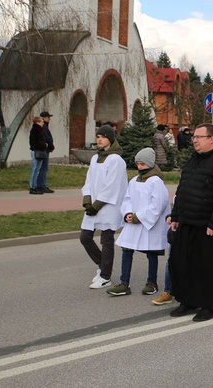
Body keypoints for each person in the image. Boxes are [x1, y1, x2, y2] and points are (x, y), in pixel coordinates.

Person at [168, 123, 213, 322]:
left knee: (207, 268)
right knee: (182, 264)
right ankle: (187, 300)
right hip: (186, 222)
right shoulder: (192, 161)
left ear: (211, 139)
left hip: (207, 226)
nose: (194, 140)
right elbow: (182, 190)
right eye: (194, 136)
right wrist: (176, 216)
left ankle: (210, 305)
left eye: (199, 137)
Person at [106, 148, 170, 297]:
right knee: (126, 249)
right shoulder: (134, 180)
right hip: (133, 222)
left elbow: (159, 204)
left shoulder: (156, 181)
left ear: (149, 163)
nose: (139, 166)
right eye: (138, 164)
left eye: (142, 164)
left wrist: (138, 217)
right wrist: (128, 213)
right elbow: (126, 199)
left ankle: (152, 282)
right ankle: (124, 283)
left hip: (148, 224)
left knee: (151, 252)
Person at [80, 125, 128, 289]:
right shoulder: (95, 158)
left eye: (103, 136)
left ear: (110, 138)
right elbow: (89, 181)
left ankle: (105, 276)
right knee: (85, 237)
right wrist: (87, 200)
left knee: (106, 240)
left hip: (108, 206)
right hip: (93, 205)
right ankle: (103, 265)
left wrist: (97, 205)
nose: (99, 139)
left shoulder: (116, 160)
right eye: (98, 136)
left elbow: (112, 186)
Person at [29, 116, 49, 195]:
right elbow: (36, 142)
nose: (43, 123)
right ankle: (32, 187)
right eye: (41, 122)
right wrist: (44, 144)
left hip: (40, 151)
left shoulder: (40, 130)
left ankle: (35, 186)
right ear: (37, 122)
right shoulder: (35, 130)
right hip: (36, 151)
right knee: (34, 170)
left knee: (37, 170)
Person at [36, 111, 55, 193]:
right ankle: (42, 185)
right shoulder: (43, 127)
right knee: (43, 168)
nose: (49, 119)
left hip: (45, 149)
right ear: (44, 118)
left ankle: (41, 184)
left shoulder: (44, 126)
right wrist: (51, 146)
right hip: (44, 150)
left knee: (42, 168)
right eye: (48, 117)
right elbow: (46, 138)